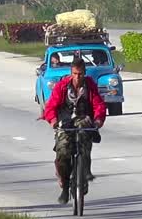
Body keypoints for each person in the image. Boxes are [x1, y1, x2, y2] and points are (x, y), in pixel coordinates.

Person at [42, 57, 106, 205]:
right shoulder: (62, 86)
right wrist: (53, 121)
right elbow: (50, 107)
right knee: (63, 152)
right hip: (64, 122)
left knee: (85, 132)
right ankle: (64, 188)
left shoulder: (90, 85)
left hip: (83, 118)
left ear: (85, 73)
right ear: (71, 73)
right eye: (76, 74)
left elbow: (99, 105)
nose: (78, 77)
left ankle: (86, 169)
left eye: (81, 74)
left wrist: (98, 120)